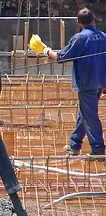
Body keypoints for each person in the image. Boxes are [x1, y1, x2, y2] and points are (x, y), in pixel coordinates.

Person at [44, 8, 106, 160]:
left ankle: (98, 148)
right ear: (93, 20)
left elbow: (62, 57)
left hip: (86, 83)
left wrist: (47, 52)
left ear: (78, 22)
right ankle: (75, 144)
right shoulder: (103, 36)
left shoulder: (80, 38)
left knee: (89, 115)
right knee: (85, 113)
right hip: (100, 81)